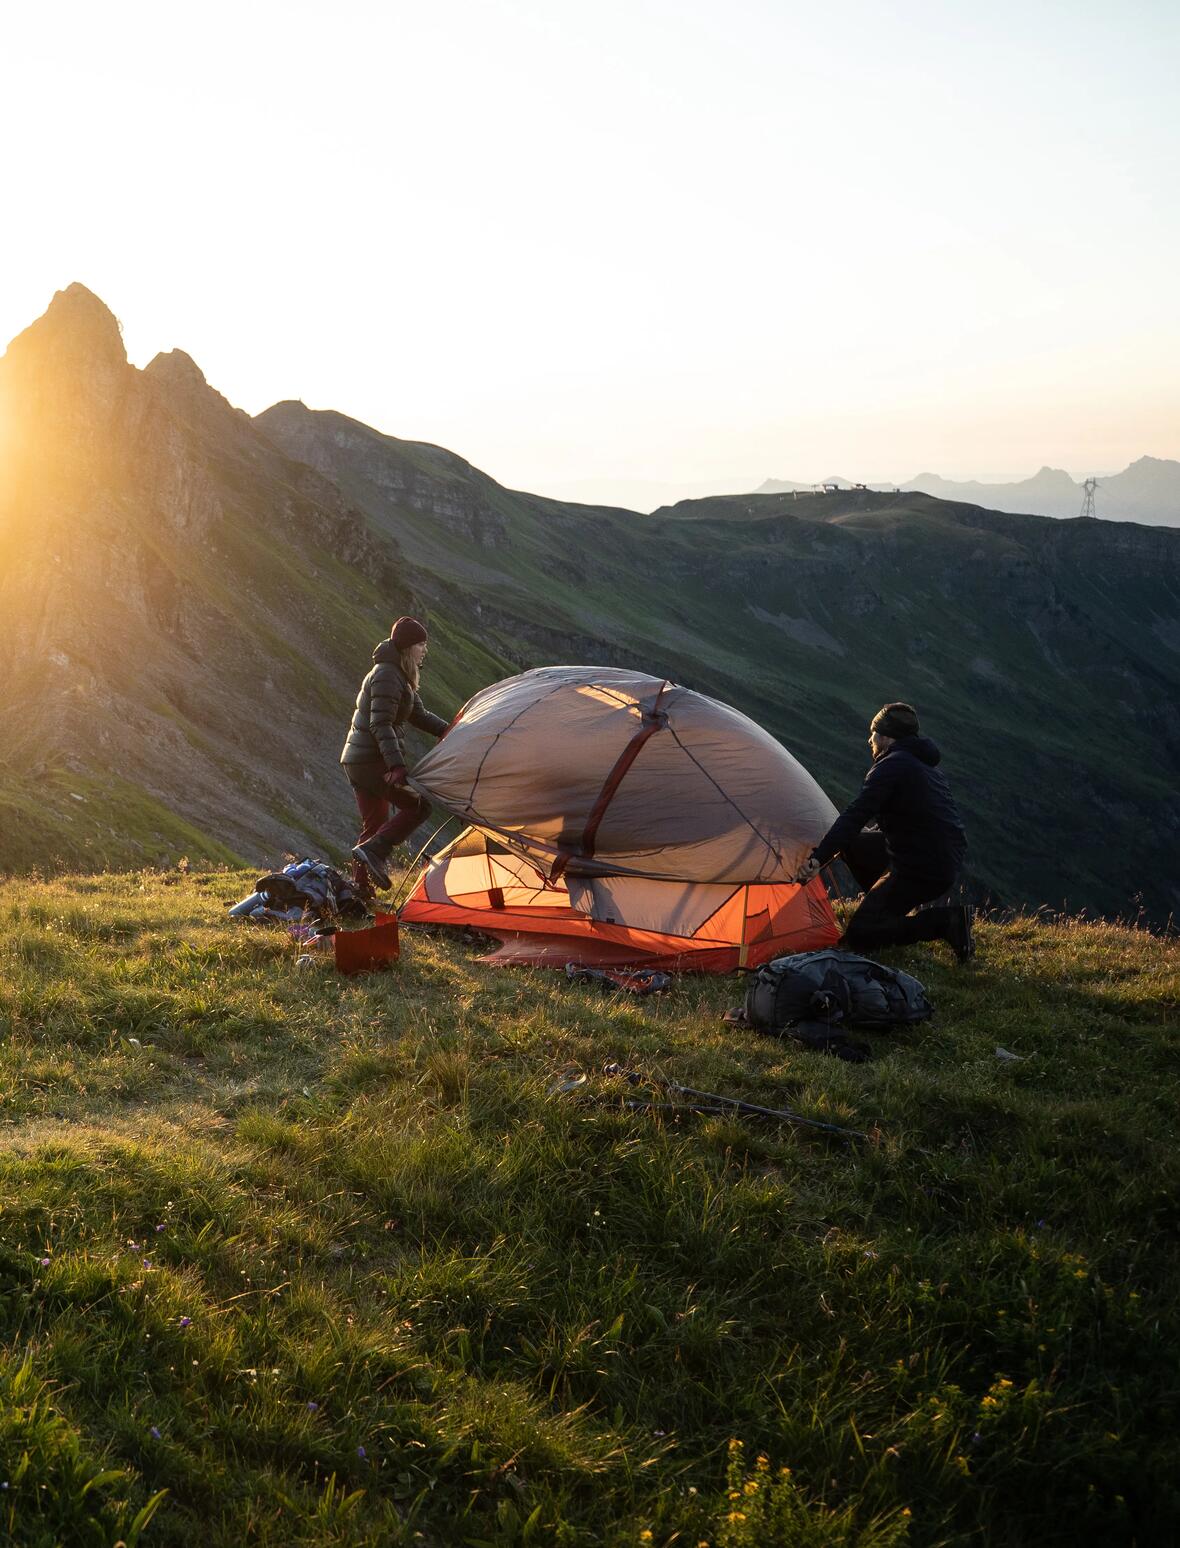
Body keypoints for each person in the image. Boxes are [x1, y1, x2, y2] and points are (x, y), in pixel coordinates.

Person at [795, 702, 974, 960]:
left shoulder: (890, 766)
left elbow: (855, 815)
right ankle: (887, 909)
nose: (870, 739)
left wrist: (818, 859)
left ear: (887, 737)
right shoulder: (922, 765)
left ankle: (946, 922)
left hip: (922, 867)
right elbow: (906, 818)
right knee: (854, 843)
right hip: (934, 857)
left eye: (874, 733)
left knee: (859, 935)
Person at [342, 616, 449, 895]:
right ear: (407, 647)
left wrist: (450, 731)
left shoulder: (398, 674)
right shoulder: (388, 674)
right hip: (370, 761)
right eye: (421, 644)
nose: (425, 650)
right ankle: (376, 854)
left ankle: (361, 887)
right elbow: (381, 723)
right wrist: (397, 766)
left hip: (359, 760)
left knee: (375, 825)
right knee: (419, 805)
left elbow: (418, 715)